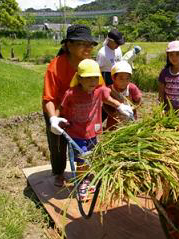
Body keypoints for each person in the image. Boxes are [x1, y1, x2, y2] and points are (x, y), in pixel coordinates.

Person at [56, 59, 134, 199]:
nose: (92, 81)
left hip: (93, 133)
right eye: (88, 78)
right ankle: (81, 184)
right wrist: (57, 120)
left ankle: (86, 178)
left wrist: (120, 106)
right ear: (79, 78)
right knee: (82, 160)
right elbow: (62, 108)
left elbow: (108, 99)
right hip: (76, 134)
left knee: (91, 157)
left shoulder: (99, 91)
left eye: (95, 78)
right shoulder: (71, 93)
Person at [42, 24, 98, 187]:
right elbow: (49, 98)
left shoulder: (90, 64)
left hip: (80, 110)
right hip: (57, 111)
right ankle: (58, 173)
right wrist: (53, 118)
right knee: (58, 144)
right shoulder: (56, 67)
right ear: (68, 45)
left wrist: (119, 103)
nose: (88, 48)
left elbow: (100, 88)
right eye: (82, 43)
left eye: (90, 44)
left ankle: (84, 172)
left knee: (85, 142)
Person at [104, 61, 142, 130]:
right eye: (121, 78)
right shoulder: (109, 90)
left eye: (127, 78)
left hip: (130, 122)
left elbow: (138, 100)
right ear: (113, 78)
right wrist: (114, 114)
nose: (124, 82)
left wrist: (132, 109)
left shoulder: (132, 88)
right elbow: (105, 105)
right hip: (114, 123)